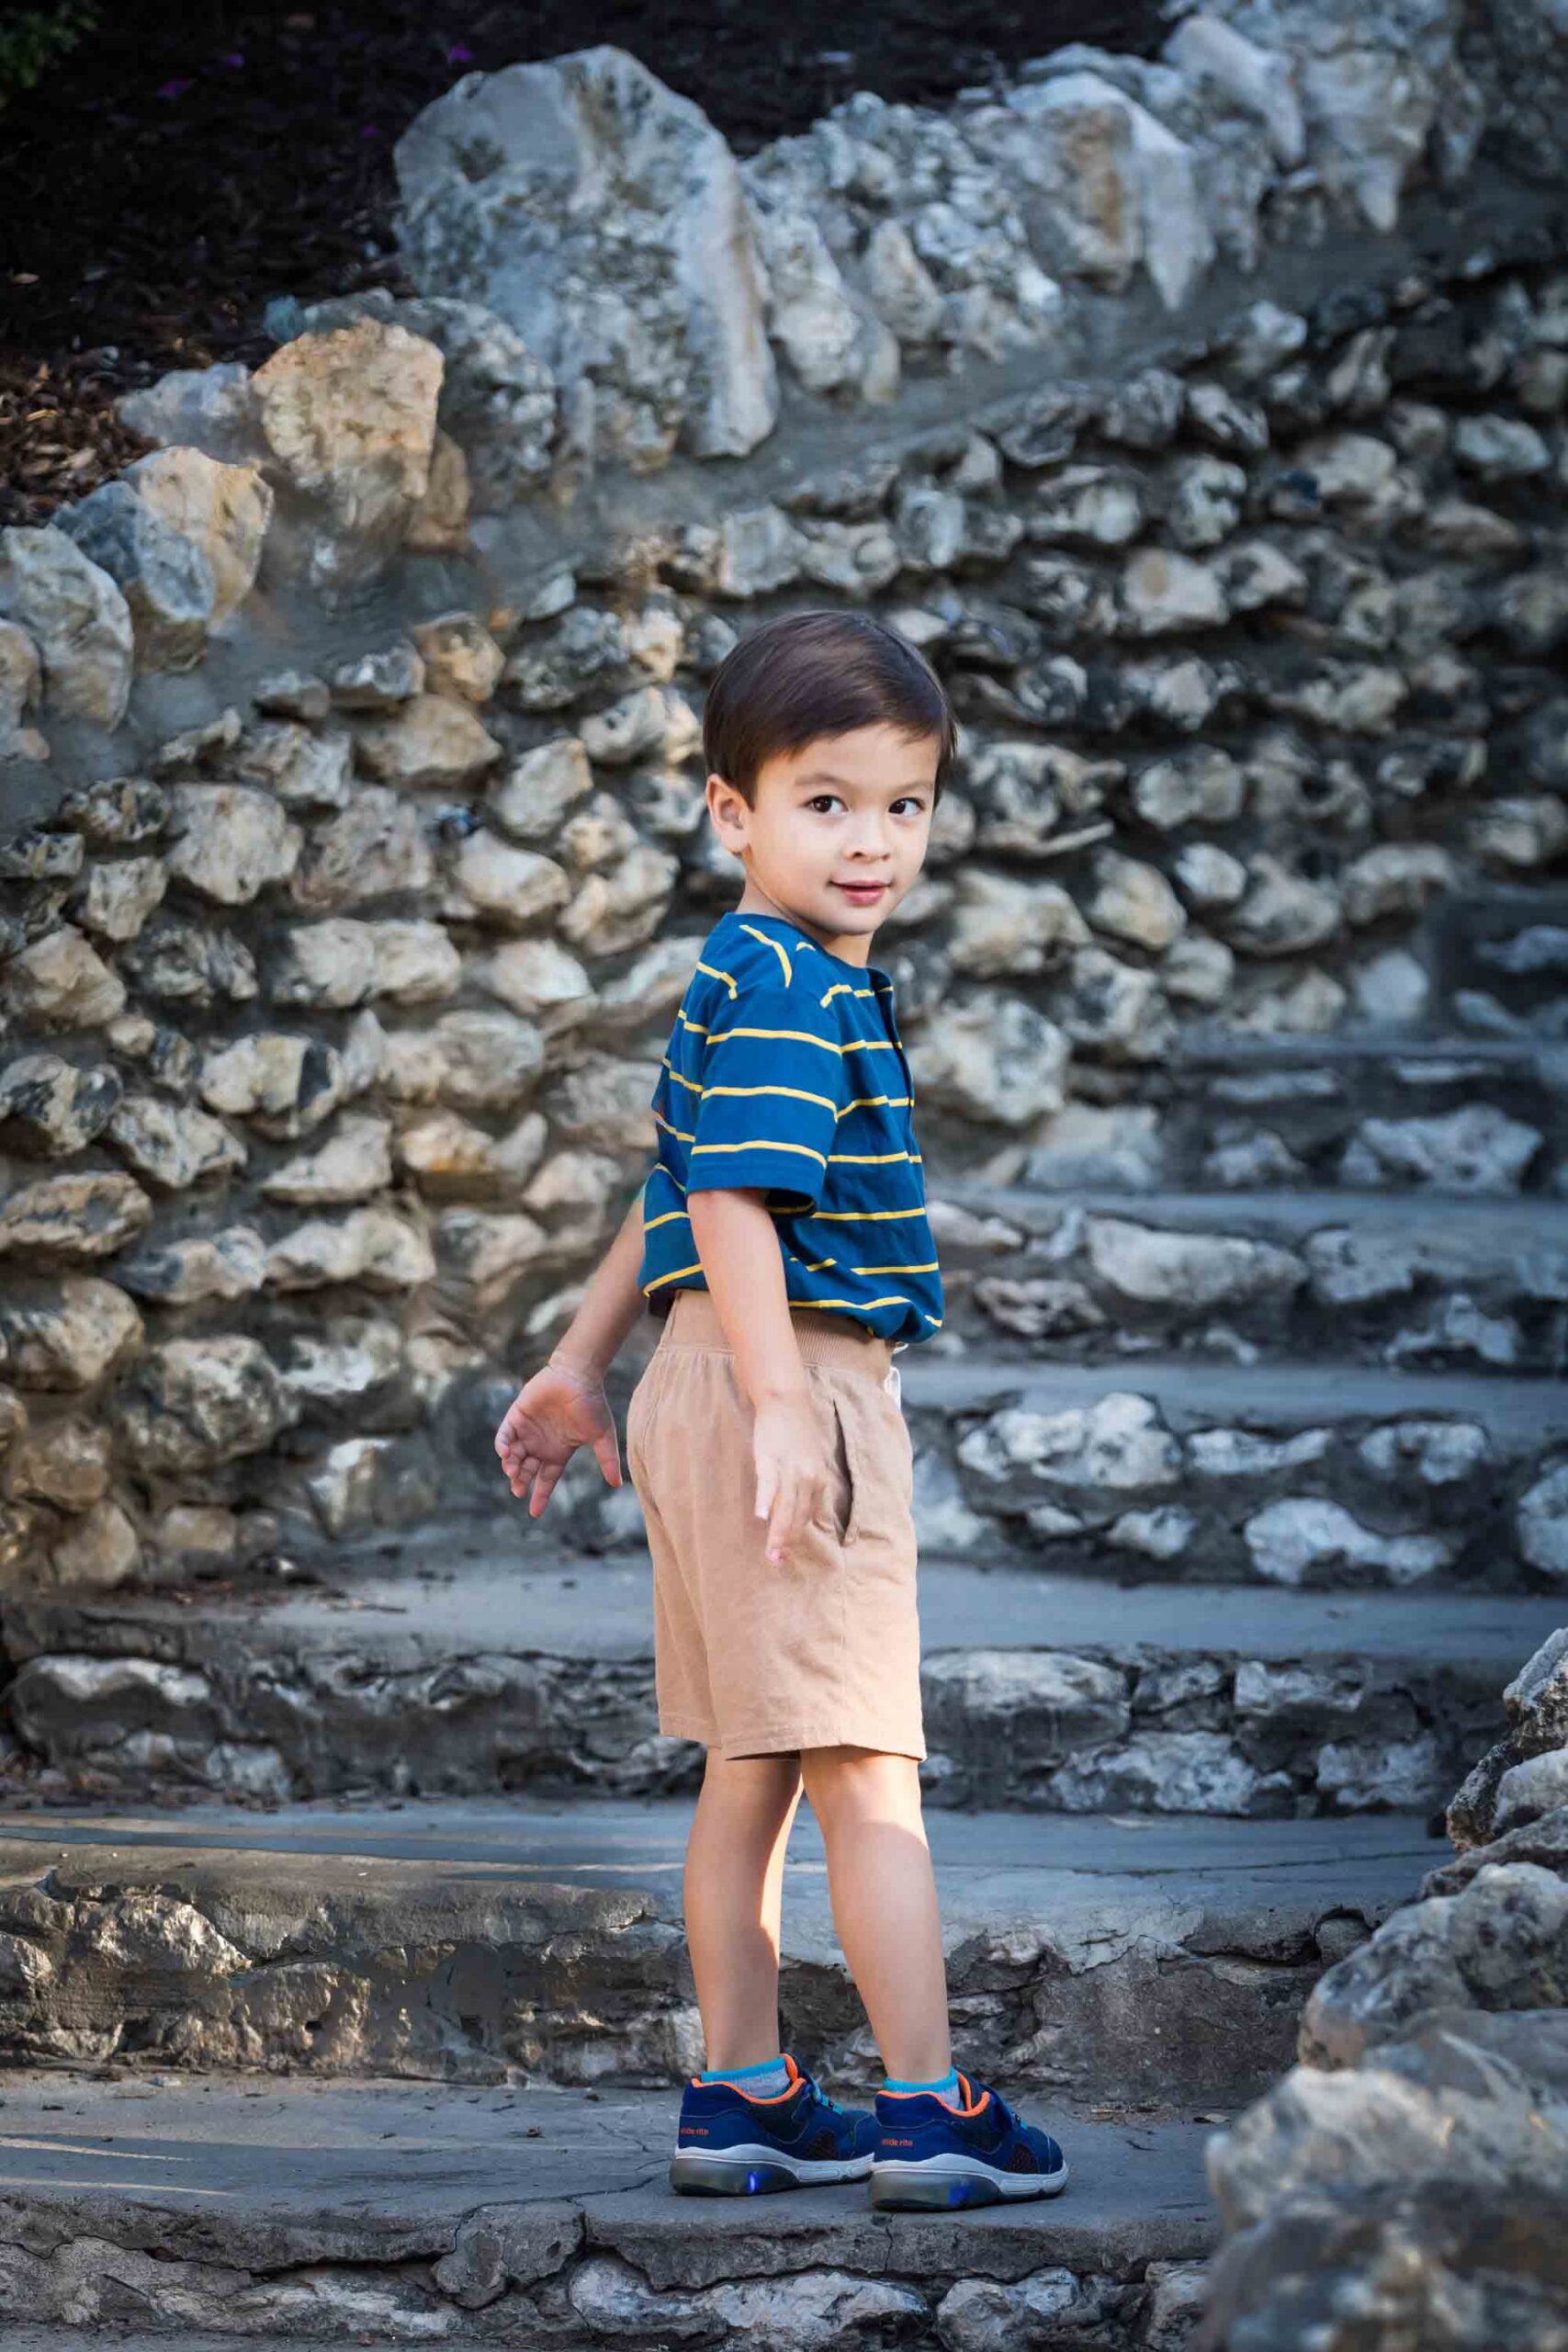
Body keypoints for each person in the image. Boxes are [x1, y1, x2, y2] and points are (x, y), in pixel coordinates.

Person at [494, 607, 1067, 2211]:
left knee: (750, 1765)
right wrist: (775, 1409)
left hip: (701, 1372)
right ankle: (931, 2106)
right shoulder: (798, 987)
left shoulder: (745, 972)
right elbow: (736, 1202)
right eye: (828, 801)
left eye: (909, 803)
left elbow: (670, 1187)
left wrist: (577, 1361)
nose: (876, 840)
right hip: (790, 1376)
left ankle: (744, 2091)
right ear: (729, 811)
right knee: (868, 1773)